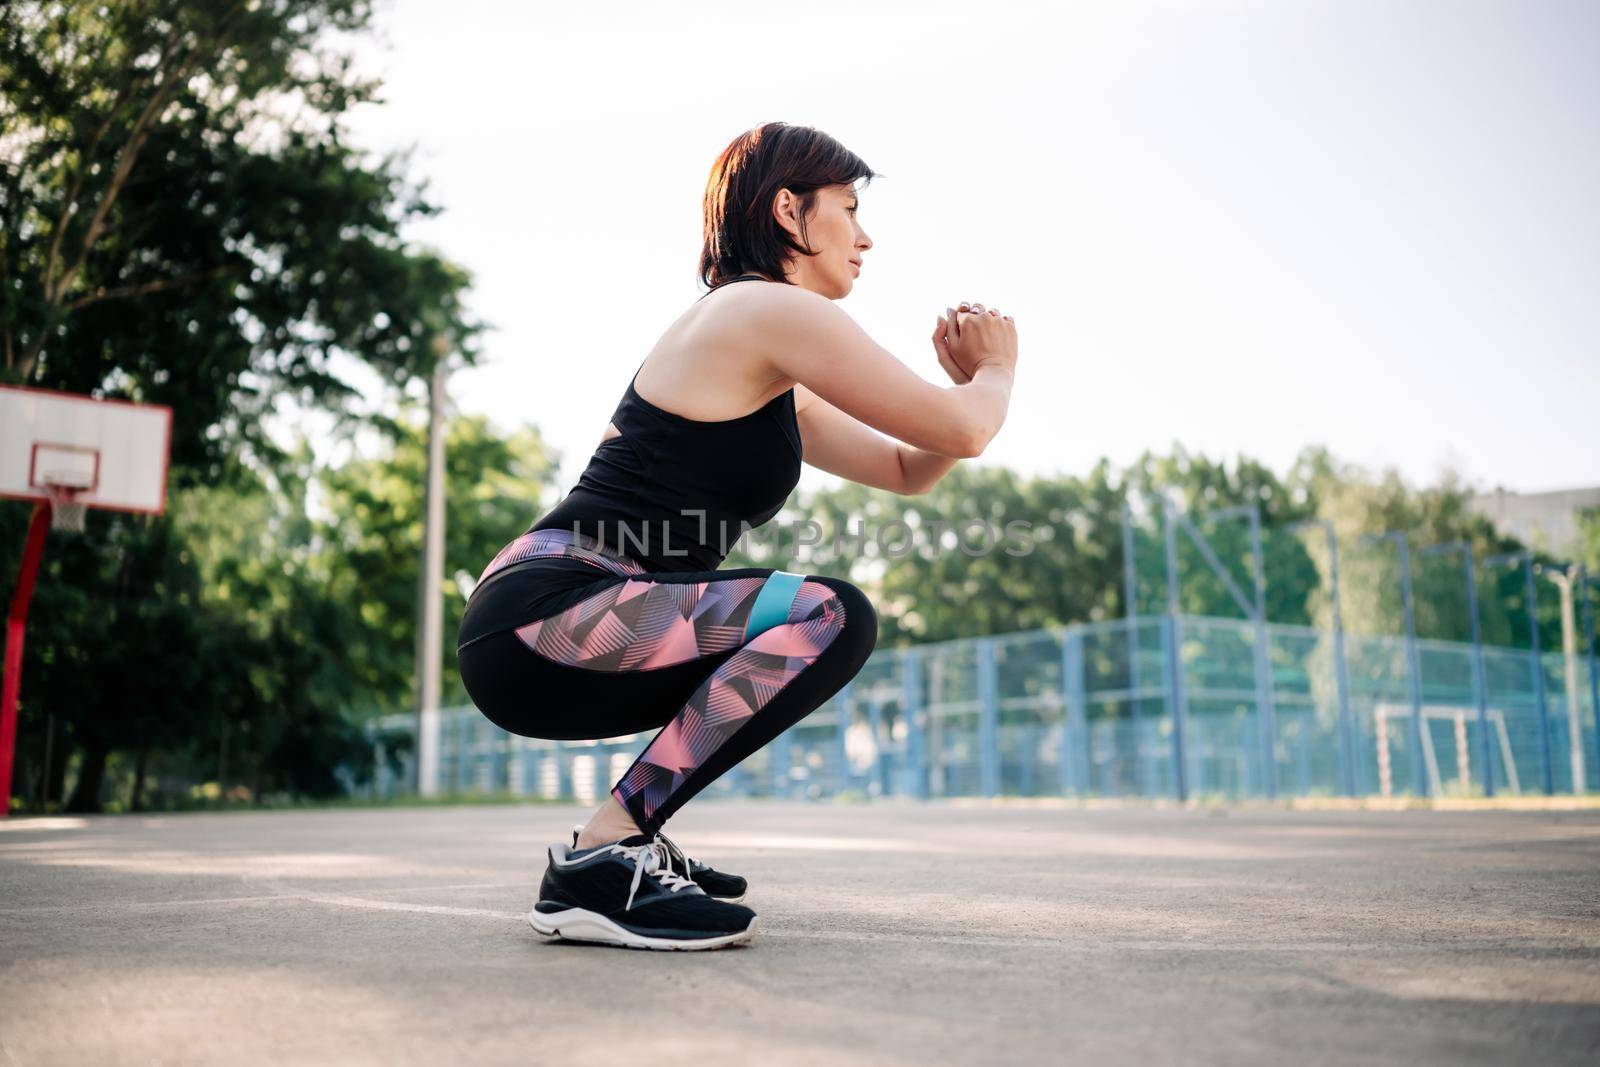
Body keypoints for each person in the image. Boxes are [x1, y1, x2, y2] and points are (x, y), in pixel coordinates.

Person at [457, 121, 1018, 951]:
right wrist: (998, 372)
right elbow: (965, 434)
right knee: (830, 613)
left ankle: (619, 847)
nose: (866, 238)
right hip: (551, 612)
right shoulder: (765, 308)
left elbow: (910, 466)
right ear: (790, 211)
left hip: (563, 625)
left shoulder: (768, 358)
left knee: (819, 617)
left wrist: (963, 389)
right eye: (849, 208)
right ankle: (603, 855)